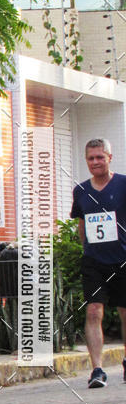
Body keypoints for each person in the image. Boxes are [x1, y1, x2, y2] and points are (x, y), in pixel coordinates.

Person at [70, 138, 126, 388]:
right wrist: (88, 250)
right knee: (94, 311)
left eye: (100, 157)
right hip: (94, 261)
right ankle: (97, 369)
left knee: (125, 312)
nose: (95, 162)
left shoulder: (123, 185)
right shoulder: (81, 191)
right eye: (91, 158)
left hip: (122, 259)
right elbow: (82, 227)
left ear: (109, 157)